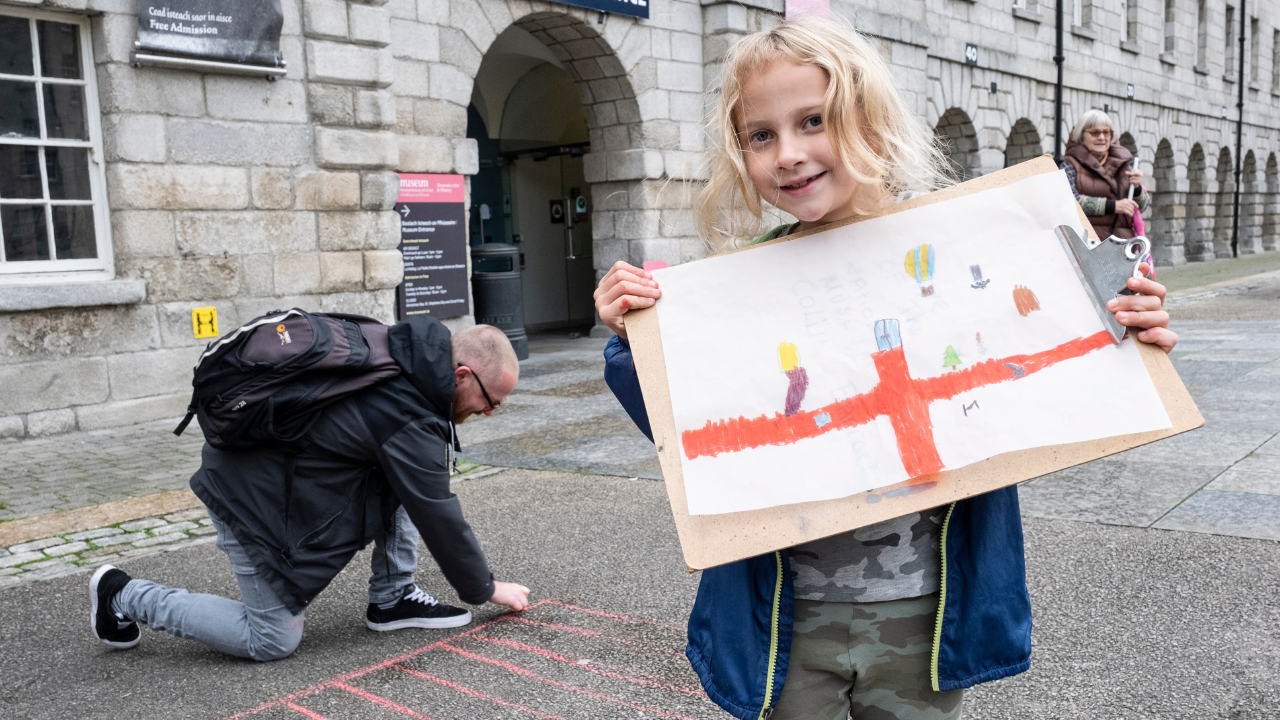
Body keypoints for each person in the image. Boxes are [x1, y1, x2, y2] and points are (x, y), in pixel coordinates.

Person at [594, 17, 1178, 720]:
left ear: (869, 124)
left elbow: (1058, 368)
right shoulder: (736, 292)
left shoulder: (961, 249)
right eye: (761, 135)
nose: (789, 153)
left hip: (927, 614)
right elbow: (680, 431)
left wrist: (1125, 325)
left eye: (814, 120)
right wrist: (638, 338)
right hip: (787, 618)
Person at [88, 318, 532, 660]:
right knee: (270, 640)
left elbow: (420, 488)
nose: (490, 412)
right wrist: (485, 588)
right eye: (491, 401)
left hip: (275, 474)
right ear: (459, 374)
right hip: (249, 495)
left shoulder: (404, 354)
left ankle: (393, 599)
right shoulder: (408, 414)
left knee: (404, 477)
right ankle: (122, 594)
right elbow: (438, 511)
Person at [1060, 109, 1151, 241]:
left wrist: (1137, 188)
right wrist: (1113, 206)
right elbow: (1069, 202)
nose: (1102, 137)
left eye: (1106, 132)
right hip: (1086, 244)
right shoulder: (1069, 164)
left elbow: (1142, 207)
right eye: (1095, 133)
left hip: (1122, 247)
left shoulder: (1124, 165)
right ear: (1081, 135)